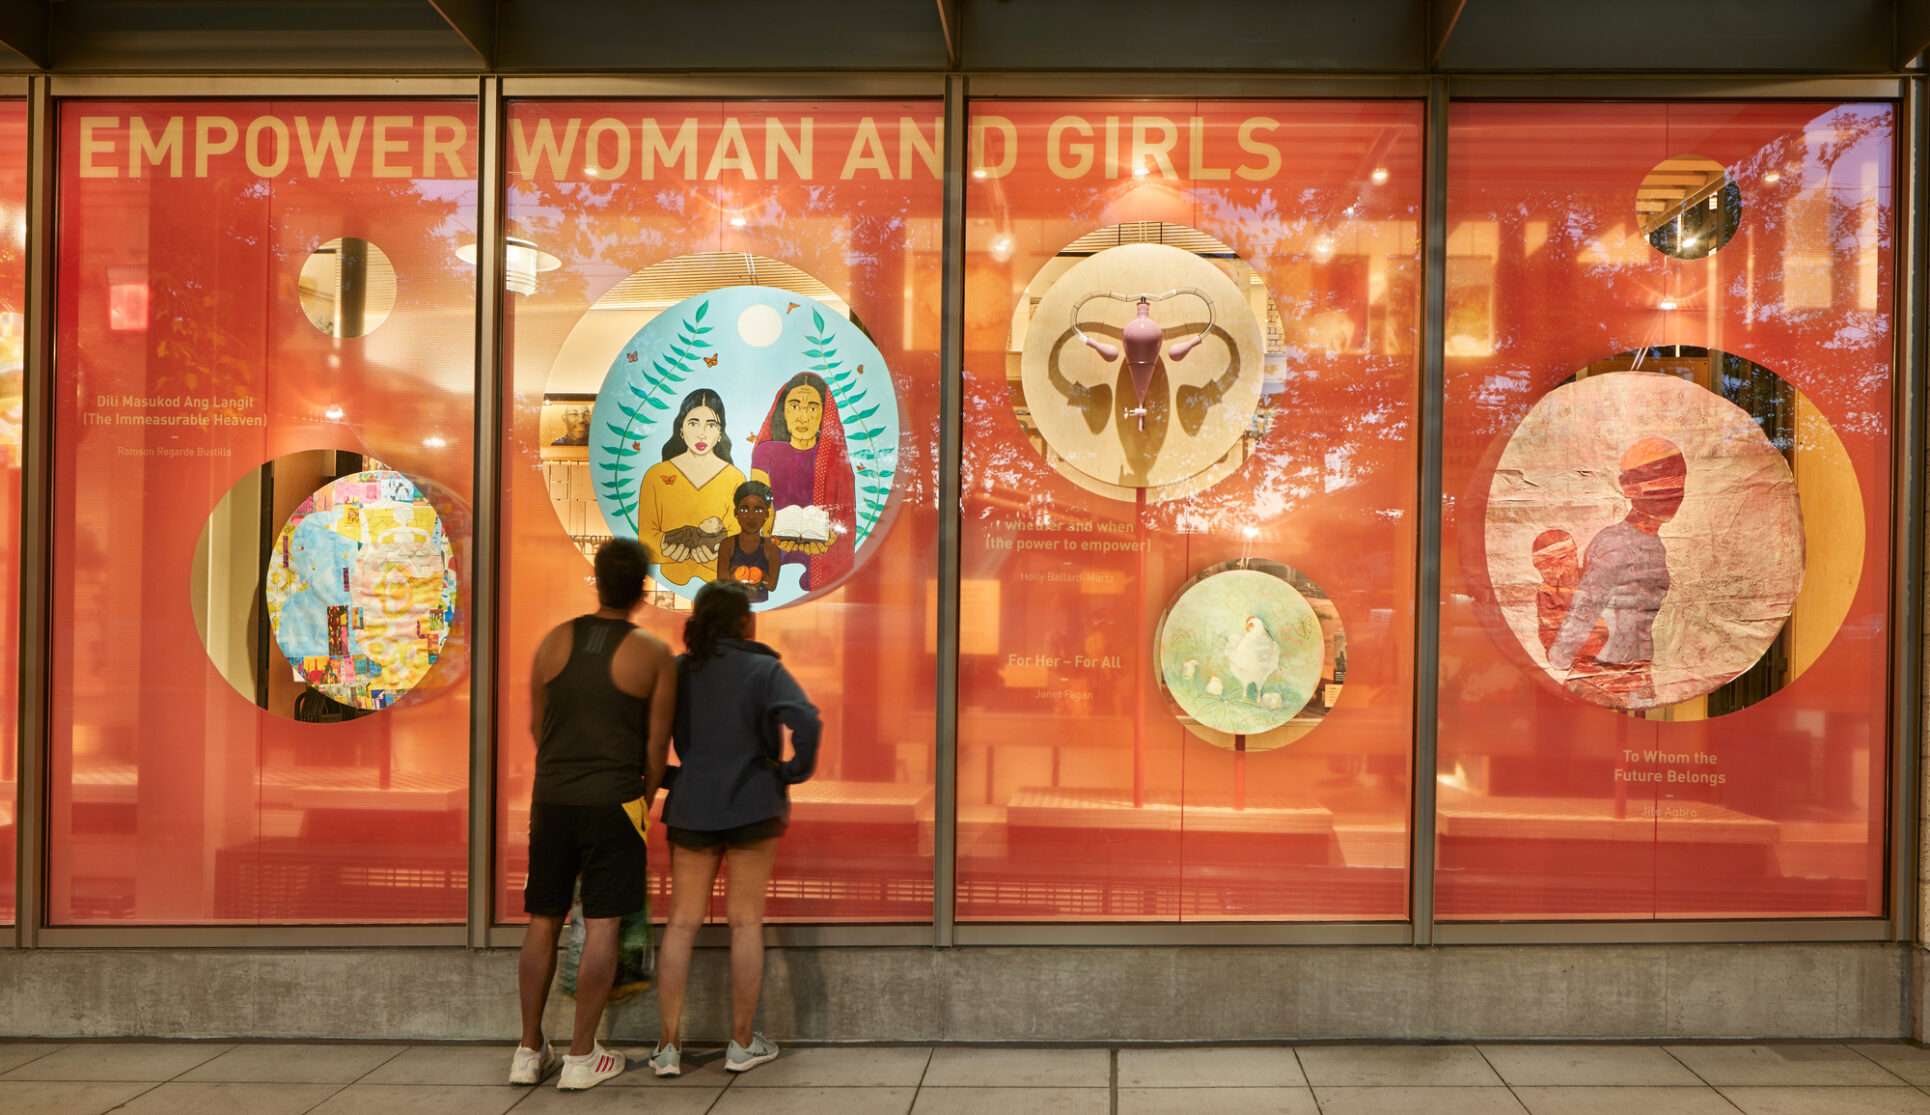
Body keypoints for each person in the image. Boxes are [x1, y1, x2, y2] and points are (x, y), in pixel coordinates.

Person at [511, 538, 676, 1091]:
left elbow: (538, 729)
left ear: (597, 582)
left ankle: (528, 1048)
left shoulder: (554, 642)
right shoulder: (652, 653)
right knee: (603, 923)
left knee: (544, 918)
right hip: (613, 801)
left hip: (551, 800)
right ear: (643, 589)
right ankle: (582, 1057)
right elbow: (656, 750)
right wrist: (642, 802)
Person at [650, 581, 820, 1077]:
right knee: (745, 922)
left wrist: (673, 777)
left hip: (692, 807)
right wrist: (789, 772)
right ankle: (742, 1043)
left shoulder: (680, 670)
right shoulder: (764, 668)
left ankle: (667, 1046)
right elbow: (806, 721)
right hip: (752, 803)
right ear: (744, 621)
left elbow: (648, 735)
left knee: (682, 923)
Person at [637, 388, 767, 588]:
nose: (701, 433)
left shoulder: (735, 478)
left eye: (711, 425)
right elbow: (645, 538)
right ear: (681, 428)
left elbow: (741, 540)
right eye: (693, 423)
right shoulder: (655, 475)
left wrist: (718, 551)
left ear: (720, 432)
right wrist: (665, 546)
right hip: (666, 583)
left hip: (720, 585)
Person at [750, 372, 855, 592]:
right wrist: (772, 531)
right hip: (773, 544)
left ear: (824, 414)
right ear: (783, 412)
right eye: (795, 406)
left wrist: (830, 537)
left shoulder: (832, 460)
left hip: (818, 549)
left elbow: (840, 517)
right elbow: (760, 505)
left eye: (813, 408)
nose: (803, 417)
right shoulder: (766, 452)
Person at [715, 479, 782, 603]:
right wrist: (736, 572)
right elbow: (721, 580)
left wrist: (759, 575)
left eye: (758, 510)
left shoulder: (771, 549)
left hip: (763, 607)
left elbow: (772, 585)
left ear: (766, 515)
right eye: (745, 509)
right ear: (736, 513)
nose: (751, 516)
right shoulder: (727, 544)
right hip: (732, 605)